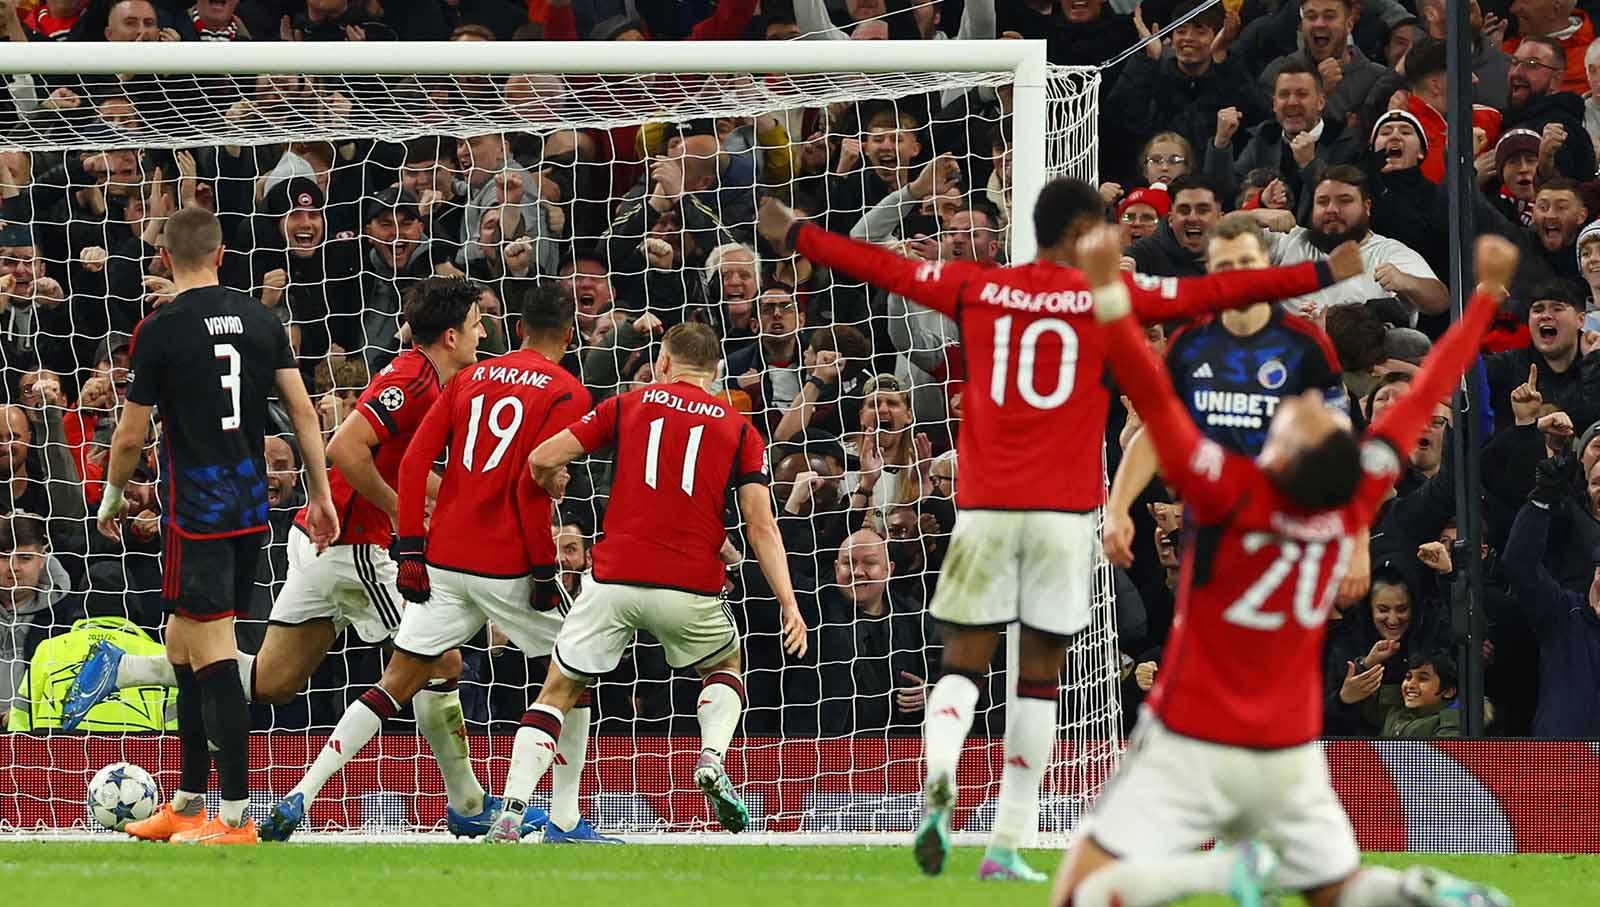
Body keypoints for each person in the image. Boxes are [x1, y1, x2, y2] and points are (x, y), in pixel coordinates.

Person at [755, 178, 1366, 882]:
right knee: (1037, 677)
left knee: (961, 662)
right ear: (1080, 233)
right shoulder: (1101, 301)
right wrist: (1321, 271)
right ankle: (1008, 841)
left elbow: (877, 265)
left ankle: (942, 777)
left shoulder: (975, 287)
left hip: (984, 509)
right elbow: (1202, 298)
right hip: (1061, 514)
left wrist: (798, 233)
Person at [1053, 226, 1516, 907]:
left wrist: (1105, 292)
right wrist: (1484, 298)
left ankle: (1223, 873)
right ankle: (1419, 892)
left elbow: (1150, 397)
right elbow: (1436, 376)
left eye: (1303, 415)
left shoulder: (1223, 489)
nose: (1302, 403)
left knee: (1082, 894)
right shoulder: (1357, 490)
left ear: (1284, 456)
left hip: (1192, 733)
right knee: (1338, 890)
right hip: (1287, 747)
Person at [63, 278, 509, 836]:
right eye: (475, 322)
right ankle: (468, 807)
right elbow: (345, 447)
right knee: (438, 662)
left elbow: (401, 463)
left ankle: (127, 668)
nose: (482, 331)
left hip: (318, 542)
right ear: (450, 334)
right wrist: (399, 513)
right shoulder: (412, 379)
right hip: (352, 548)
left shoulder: (431, 378)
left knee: (273, 681)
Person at [261, 283, 615, 843]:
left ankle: (301, 794)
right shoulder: (559, 389)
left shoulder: (469, 380)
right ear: (570, 336)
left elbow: (417, 467)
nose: (482, 332)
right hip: (397, 548)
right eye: (477, 323)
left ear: (519, 329)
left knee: (382, 677)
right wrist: (545, 569)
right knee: (573, 670)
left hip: (435, 558)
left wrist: (413, 545)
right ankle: (550, 815)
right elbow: (529, 488)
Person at [510, 322, 809, 841]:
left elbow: (542, 457)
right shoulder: (740, 429)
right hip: (688, 586)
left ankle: (513, 810)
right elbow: (761, 524)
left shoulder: (626, 405)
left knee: (558, 690)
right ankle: (712, 757)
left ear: (664, 364)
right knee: (724, 666)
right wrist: (789, 603)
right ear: (716, 375)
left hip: (614, 578)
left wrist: (550, 485)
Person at [98, 206, 337, 845]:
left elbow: (128, 435)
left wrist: (113, 495)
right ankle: (186, 799)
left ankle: (233, 816)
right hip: (249, 507)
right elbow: (304, 413)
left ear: (165, 259)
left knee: (212, 653)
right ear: (223, 254)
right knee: (181, 649)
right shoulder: (261, 319)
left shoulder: (161, 328)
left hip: (196, 515)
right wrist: (319, 494)